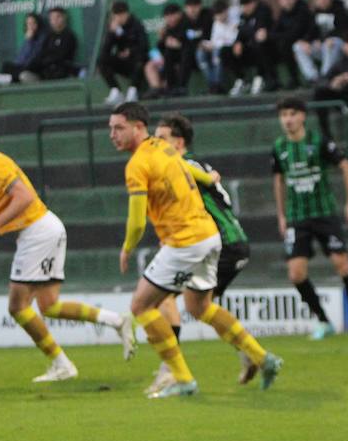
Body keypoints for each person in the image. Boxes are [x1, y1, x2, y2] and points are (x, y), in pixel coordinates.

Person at [0, 113, 134, 382]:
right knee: (49, 305)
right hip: (45, 228)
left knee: (17, 306)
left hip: (38, 233)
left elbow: (25, 196)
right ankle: (116, 321)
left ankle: (62, 364)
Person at [109, 102, 281, 398]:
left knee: (141, 306)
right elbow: (186, 165)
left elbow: (136, 221)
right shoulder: (164, 149)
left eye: (119, 128)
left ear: (139, 128)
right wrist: (209, 178)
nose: (113, 134)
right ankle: (263, 358)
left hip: (185, 241)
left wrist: (127, 248)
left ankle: (181, 378)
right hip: (209, 236)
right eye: (110, 129)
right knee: (198, 307)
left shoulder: (137, 165)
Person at [148, 114, 254, 395]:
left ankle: (170, 371)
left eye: (162, 139)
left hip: (219, 244)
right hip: (233, 243)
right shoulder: (194, 164)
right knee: (203, 307)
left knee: (160, 296)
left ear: (178, 142)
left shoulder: (180, 165)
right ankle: (249, 352)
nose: (156, 144)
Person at [271, 97, 348, 340]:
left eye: (292, 114)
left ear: (303, 116)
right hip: (297, 217)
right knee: (296, 273)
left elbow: (347, 167)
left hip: (324, 214)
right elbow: (279, 180)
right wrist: (281, 215)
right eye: (284, 115)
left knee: (342, 264)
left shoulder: (319, 141)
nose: (288, 119)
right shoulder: (279, 147)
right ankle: (323, 321)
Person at [295, 0, 348, 83]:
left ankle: (326, 76)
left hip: (338, 46)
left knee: (331, 43)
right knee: (298, 46)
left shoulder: (340, 10)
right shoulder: (314, 13)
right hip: (321, 47)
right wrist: (305, 41)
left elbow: (345, 31)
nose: (322, 0)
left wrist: (324, 40)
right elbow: (311, 32)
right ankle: (312, 77)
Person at [226, 0, 276, 95]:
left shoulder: (264, 11)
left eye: (246, 5)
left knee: (260, 44)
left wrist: (244, 29)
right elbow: (242, 32)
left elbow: (259, 33)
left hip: (268, 49)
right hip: (250, 49)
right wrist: (238, 42)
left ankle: (262, 77)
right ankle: (242, 79)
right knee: (226, 51)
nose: (245, 8)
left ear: (253, 3)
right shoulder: (243, 16)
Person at [99, 0, 149, 105]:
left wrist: (130, 51)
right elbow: (105, 50)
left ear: (127, 13)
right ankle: (115, 90)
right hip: (123, 62)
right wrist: (112, 33)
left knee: (140, 59)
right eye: (117, 15)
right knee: (102, 60)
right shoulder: (115, 28)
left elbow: (144, 46)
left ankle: (133, 91)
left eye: (122, 15)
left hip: (136, 62)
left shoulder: (137, 24)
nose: (119, 18)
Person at [21, 7, 80, 82]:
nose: (55, 20)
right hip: (43, 73)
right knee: (24, 74)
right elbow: (41, 54)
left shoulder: (69, 36)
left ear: (64, 17)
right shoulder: (48, 36)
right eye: (52, 18)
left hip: (61, 73)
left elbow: (60, 57)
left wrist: (45, 60)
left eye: (58, 17)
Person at [272, 0, 314, 89]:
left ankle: (300, 79)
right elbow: (274, 32)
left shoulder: (303, 10)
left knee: (285, 44)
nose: (286, 1)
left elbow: (296, 32)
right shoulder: (283, 13)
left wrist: (282, 36)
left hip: (307, 42)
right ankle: (273, 81)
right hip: (291, 43)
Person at [198, 0, 236, 93]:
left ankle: (217, 84)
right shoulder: (216, 23)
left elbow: (232, 40)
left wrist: (215, 45)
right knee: (200, 53)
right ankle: (212, 84)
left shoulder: (234, 20)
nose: (217, 18)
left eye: (219, 15)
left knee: (217, 53)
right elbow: (214, 39)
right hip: (217, 47)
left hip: (229, 50)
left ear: (226, 11)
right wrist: (206, 44)